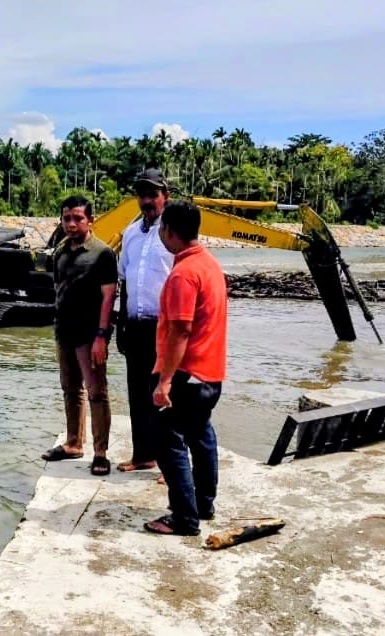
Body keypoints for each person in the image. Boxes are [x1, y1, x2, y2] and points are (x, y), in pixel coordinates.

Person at [143, 200, 227, 536]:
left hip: (185, 374)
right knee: (201, 436)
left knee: (169, 443)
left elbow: (180, 331)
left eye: (162, 229)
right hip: (211, 373)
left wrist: (164, 382)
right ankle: (204, 505)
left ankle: (184, 517)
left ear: (169, 232)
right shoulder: (210, 266)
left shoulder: (183, 275)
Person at [41, 195, 118, 476]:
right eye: (66, 218)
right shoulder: (60, 252)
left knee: (97, 392)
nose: (71, 224)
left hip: (90, 334)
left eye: (77, 218)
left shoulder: (102, 254)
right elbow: (58, 290)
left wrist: (101, 336)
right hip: (64, 331)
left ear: (90, 220)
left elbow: (108, 297)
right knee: (70, 389)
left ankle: (100, 452)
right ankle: (74, 443)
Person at [116, 168, 173, 473]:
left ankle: (170, 464)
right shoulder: (130, 233)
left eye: (153, 194)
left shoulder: (173, 233)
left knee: (166, 395)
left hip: (166, 328)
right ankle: (143, 456)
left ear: (166, 196)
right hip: (136, 326)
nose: (147, 201)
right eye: (142, 195)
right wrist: (121, 325)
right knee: (137, 393)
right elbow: (124, 280)